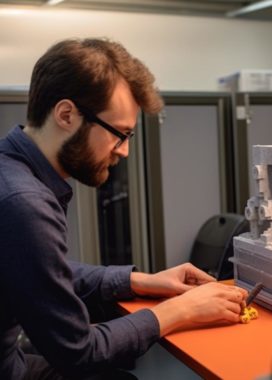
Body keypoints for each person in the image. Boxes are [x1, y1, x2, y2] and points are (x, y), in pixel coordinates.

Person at [0, 38, 247, 380]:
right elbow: (78, 351)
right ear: (67, 115)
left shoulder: (9, 169)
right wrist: (177, 312)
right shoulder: (24, 202)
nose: (125, 151)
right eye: (121, 134)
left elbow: (41, 269)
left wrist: (138, 281)